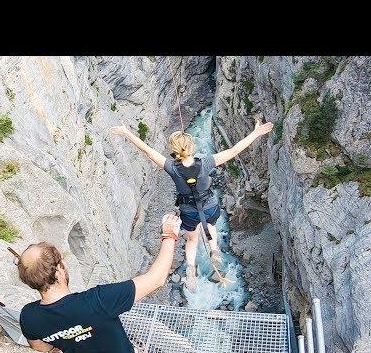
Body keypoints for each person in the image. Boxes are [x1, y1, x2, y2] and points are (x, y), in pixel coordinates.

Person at [15, 214, 185, 353]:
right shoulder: (98, 300)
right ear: (59, 269)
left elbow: (42, 347)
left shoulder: (29, 317)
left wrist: (67, 337)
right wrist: (169, 235)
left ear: (30, 282)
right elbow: (156, 279)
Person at [110, 118, 273, 291]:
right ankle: (214, 250)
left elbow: (149, 152)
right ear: (191, 147)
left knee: (191, 239)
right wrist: (256, 133)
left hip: (189, 212)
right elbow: (234, 150)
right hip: (209, 206)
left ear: (174, 149)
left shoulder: (172, 167)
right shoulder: (206, 163)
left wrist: (126, 132)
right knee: (210, 224)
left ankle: (190, 269)